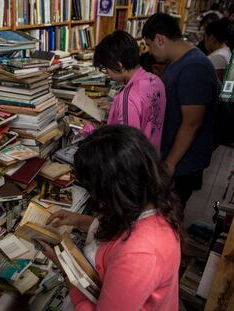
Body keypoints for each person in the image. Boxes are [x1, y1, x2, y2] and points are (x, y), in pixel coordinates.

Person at [38, 125, 182, 310]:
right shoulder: (151, 199)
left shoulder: (139, 254)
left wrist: (67, 271)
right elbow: (121, 232)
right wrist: (78, 220)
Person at [143, 13, 218, 209]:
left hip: (182, 164)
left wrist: (170, 164)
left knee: (169, 216)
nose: (150, 52)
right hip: (175, 158)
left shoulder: (193, 67)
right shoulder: (181, 62)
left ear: (160, 39)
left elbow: (192, 123)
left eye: (149, 44)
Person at [93, 30, 166, 151]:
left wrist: (94, 134)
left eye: (106, 69)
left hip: (132, 166)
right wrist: (114, 108)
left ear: (119, 65)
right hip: (152, 156)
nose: (107, 75)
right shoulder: (156, 81)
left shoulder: (127, 98)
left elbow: (125, 147)